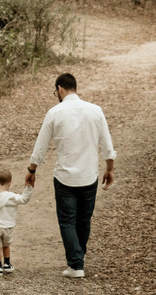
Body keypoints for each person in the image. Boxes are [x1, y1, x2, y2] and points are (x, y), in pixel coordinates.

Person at [26, 73, 116, 279]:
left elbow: (40, 146)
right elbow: (107, 146)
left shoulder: (54, 113)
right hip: (89, 175)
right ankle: (78, 259)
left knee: (67, 221)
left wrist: (32, 170)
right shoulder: (96, 111)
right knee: (84, 220)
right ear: (75, 87)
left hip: (64, 177)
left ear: (59, 89)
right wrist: (109, 168)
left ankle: (76, 264)